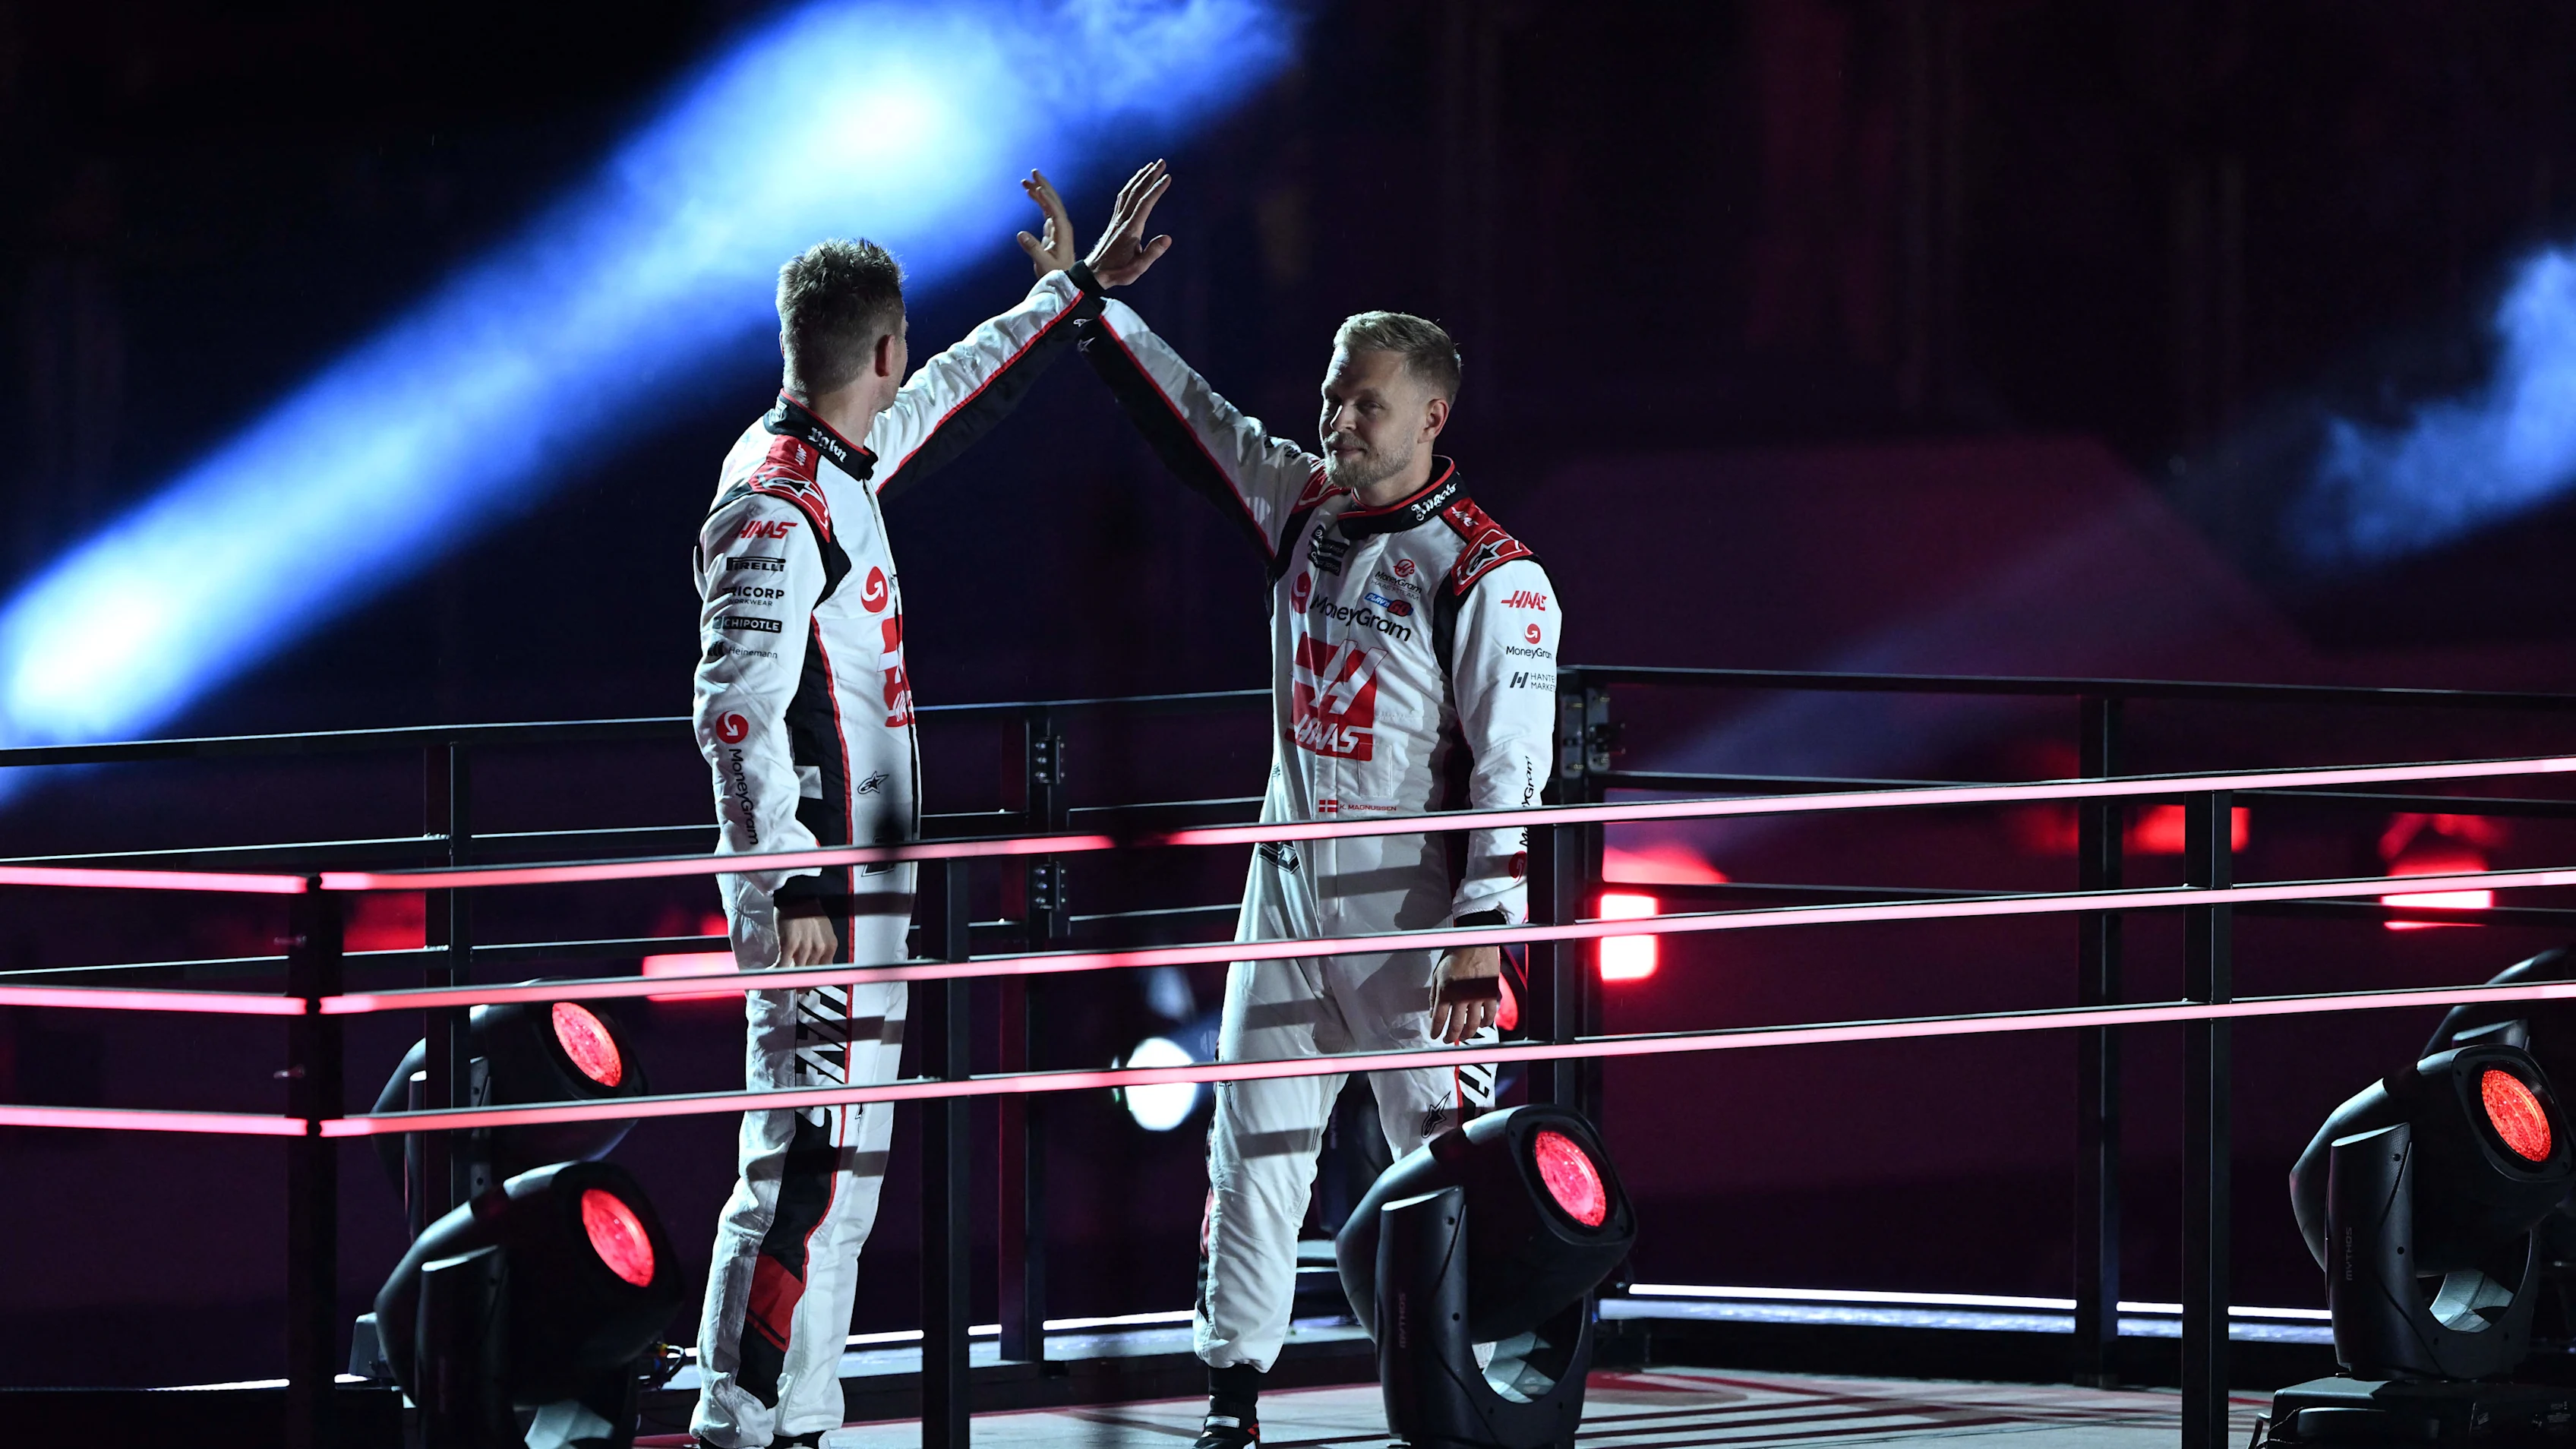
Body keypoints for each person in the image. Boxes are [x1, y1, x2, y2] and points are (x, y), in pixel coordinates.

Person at [1074, 160, 1561, 1449]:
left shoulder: (1494, 576)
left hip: (1416, 909)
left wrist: (1481, 931)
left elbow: (1516, 772)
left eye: (1366, 402)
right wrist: (1094, 303)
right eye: (1335, 393)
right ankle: (1232, 1397)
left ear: (1435, 414)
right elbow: (1198, 420)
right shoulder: (1303, 505)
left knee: (1449, 1160)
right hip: (1286, 884)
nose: (1338, 418)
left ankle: (1484, 1395)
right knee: (1253, 1146)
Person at [687, 164, 1168, 1449]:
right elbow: (733, 712)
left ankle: (800, 1419)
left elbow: (955, 391)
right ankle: (732, 1425)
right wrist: (793, 886)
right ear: (879, 345)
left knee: (844, 1171)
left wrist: (1067, 297)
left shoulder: (835, 459)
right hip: (822, 901)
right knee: (796, 1167)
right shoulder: (776, 506)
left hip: (864, 894)